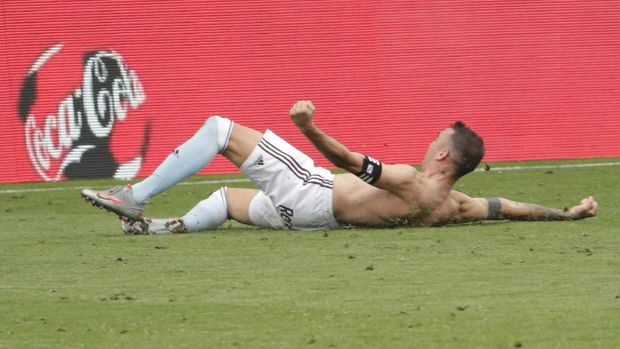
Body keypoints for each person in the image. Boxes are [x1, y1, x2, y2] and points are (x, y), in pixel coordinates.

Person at [81, 100, 598, 235]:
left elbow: (347, 161)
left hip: (312, 191)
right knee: (224, 201)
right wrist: (565, 214)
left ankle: (137, 196)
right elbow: (506, 207)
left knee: (220, 129)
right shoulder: (454, 206)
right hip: (311, 219)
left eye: (434, 140)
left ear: (443, 155)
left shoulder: (411, 180)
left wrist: (307, 127)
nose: (428, 143)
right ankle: (148, 228)